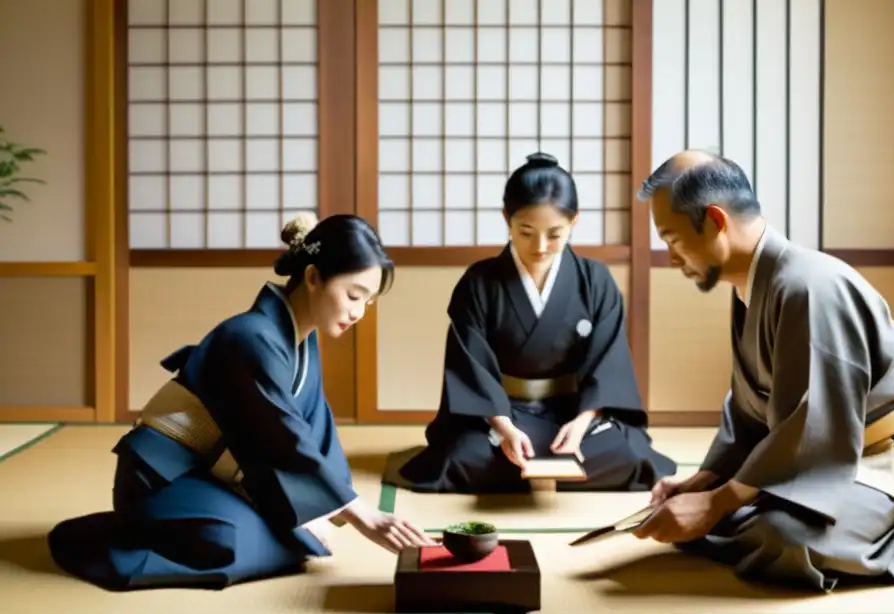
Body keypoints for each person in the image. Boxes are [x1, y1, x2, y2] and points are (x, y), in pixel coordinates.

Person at [632, 150, 894, 591]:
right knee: (725, 517)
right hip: (828, 452)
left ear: (716, 222)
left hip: (890, 459)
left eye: (673, 240)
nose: (671, 258)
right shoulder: (753, 287)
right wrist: (705, 482)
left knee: (782, 536)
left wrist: (717, 502)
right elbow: (749, 409)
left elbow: (814, 422)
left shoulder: (807, 285)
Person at [48, 213, 436, 591]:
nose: (358, 313)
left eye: (367, 303)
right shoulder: (248, 337)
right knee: (235, 544)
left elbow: (312, 429)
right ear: (313, 277)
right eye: (353, 295)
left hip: (213, 477)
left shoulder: (301, 341)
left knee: (297, 539)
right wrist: (357, 513)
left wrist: (335, 506)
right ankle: (111, 537)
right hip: (163, 477)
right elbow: (281, 439)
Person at [390, 152, 676, 493]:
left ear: (574, 222)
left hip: (571, 413)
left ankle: (549, 459)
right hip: (500, 413)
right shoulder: (480, 282)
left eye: (554, 234)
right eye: (526, 232)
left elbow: (608, 365)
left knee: (630, 455)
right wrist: (506, 427)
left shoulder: (595, 281)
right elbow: (471, 367)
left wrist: (584, 422)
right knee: (461, 456)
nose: (540, 247)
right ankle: (536, 460)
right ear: (506, 219)